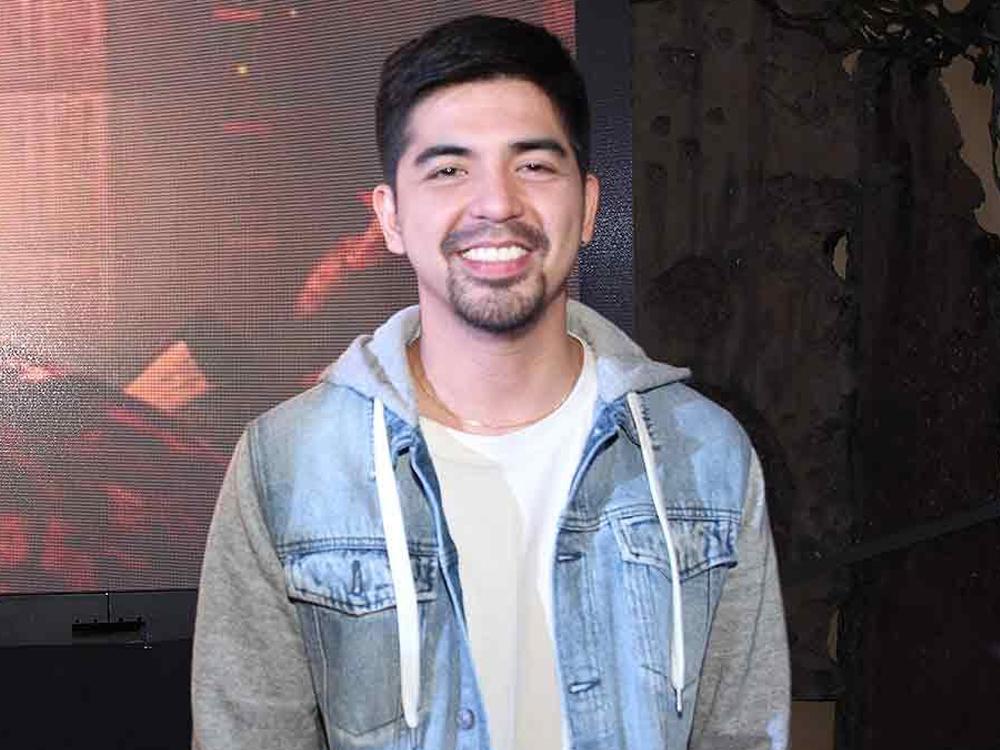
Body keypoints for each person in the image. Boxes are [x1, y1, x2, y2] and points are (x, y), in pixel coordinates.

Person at [191, 14, 789, 750]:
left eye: (533, 165)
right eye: (448, 170)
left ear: (588, 207)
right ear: (390, 217)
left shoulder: (703, 453)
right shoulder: (286, 464)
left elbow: (743, 734)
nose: (497, 202)